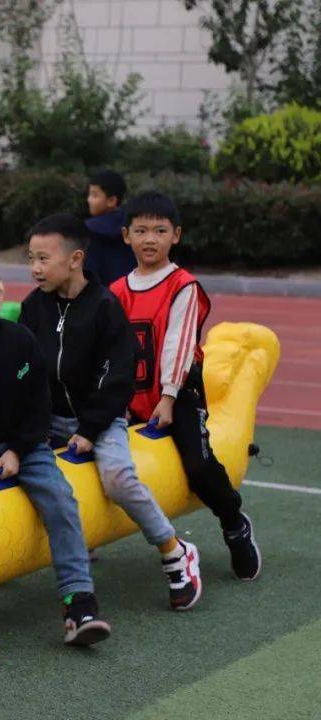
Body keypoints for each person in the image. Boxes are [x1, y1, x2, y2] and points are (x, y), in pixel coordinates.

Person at [20, 213, 201, 611]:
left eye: (42, 259)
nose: (34, 268)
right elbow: (29, 368)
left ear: (74, 259)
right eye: (31, 258)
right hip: (49, 420)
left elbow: (116, 377)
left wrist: (88, 428)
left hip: (100, 419)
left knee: (117, 477)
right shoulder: (34, 307)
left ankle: (174, 550)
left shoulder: (105, 307)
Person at [0, 241, 111, 646]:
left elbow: (38, 406)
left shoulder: (20, 340)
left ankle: (79, 601)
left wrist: (18, 451)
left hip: (22, 445)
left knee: (60, 499)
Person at [111, 191, 261, 581]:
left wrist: (169, 396)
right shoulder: (115, 292)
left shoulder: (183, 285)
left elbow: (178, 345)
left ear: (175, 235)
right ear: (126, 235)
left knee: (197, 463)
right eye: (141, 230)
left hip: (176, 393)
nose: (150, 239)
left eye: (159, 231)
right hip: (129, 394)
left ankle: (233, 520)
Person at [85, 169, 134, 286]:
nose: (89, 200)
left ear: (111, 201)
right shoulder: (132, 227)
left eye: (94, 195)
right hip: (127, 291)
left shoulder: (88, 230)